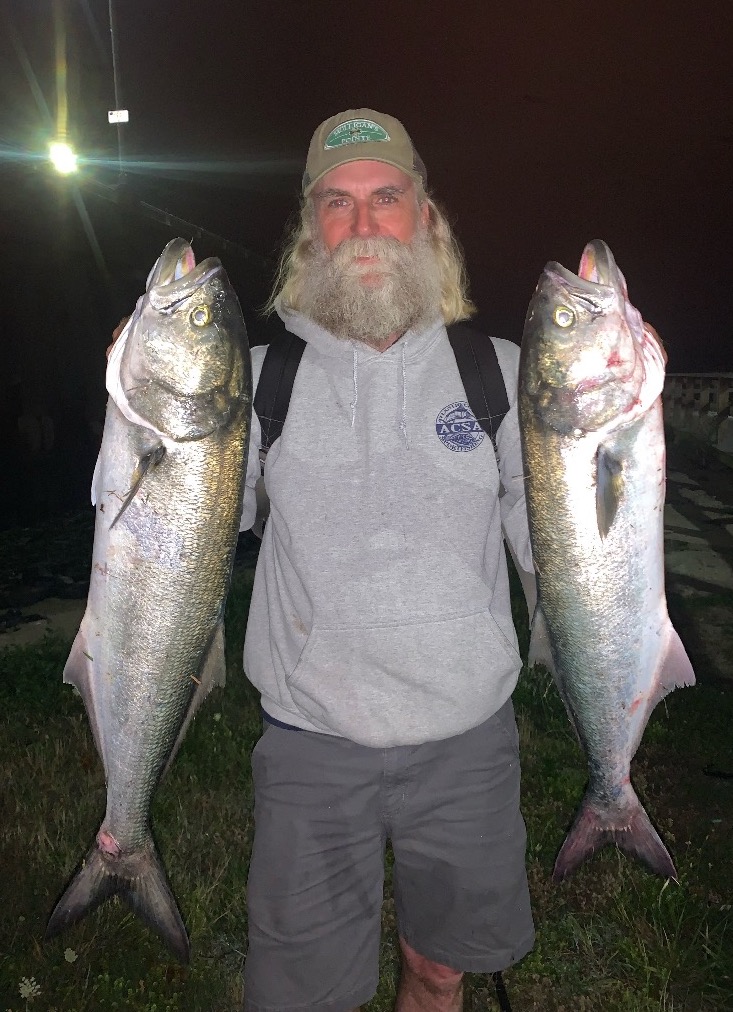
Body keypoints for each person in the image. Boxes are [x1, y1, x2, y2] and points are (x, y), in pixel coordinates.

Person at [238, 109, 535, 1012]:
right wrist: (143, 402)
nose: (363, 226)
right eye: (337, 203)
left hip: (466, 740)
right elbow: (163, 534)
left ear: (425, 217)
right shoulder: (253, 383)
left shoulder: (504, 375)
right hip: (311, 743)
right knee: (301, 997)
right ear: (309, 228)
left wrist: (619, 432)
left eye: (385, 198)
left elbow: (569, 559)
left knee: (441, 970)